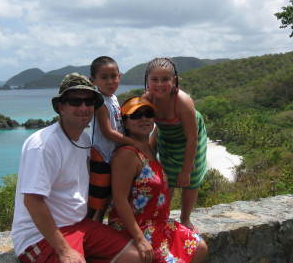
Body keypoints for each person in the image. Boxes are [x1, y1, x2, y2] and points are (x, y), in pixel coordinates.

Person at [11, 73, 143, 263]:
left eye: (89, 102)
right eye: (75, 101)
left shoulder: (84, 140)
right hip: (40, 237)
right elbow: (32, 201)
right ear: (61, 107)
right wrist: (64, 251)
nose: (83, 107)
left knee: (136, 257)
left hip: (80, 225)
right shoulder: (43, 145)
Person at [108, 96, 208, 263]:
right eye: (136, 115)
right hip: (136, 228)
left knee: (200, 248)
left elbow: (188, 132)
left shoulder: (149, 146)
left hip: (159, 225)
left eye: (148, 114)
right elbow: (119, 200)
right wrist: (139, 239)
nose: (144, 118)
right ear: (124, 122)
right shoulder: (127, 154)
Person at [142, 58, 208, 230]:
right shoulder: (147, 100)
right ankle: (162, 217)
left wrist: (186, 170)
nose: (160, 84)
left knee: (191, 180)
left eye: (165, 79)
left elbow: (192, 138)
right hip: (166, 137)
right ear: (147, 81)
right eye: (154, 79)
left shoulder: (183, 102)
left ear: (174, 80)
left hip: (192, 138)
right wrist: (148, 152)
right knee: (166, 179)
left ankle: (185, 218)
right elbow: (144, 128)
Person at [88, 56, 150, 221]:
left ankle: (98, 226)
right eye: (104, 77)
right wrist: (135, 143)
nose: (110, 81)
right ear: (93, 81)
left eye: (114, 76)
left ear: (120, 76)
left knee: (109, 196)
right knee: (98, 198)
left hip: (112, 156)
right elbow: (108, 132)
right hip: (101, 155)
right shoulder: (100, 102)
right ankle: (91, 227)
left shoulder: (113, 98)